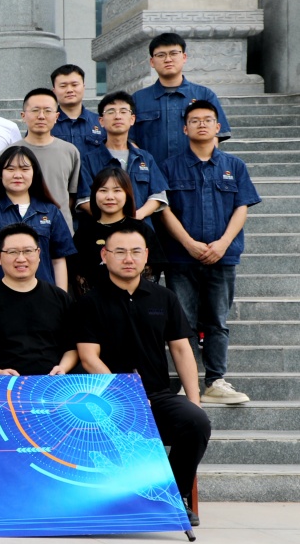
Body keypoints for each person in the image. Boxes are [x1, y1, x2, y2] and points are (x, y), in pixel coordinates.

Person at [75, 224, 210, 523]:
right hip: (108, 399)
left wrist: (194, 399)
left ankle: (173, 495)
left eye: (136, 252)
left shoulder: (165, 298)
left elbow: (181, 350)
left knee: (196, 421)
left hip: (157, 395)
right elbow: (88, 357)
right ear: (104, 255)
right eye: (120, 252)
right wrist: (127, 392)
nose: (128, 258)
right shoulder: (89, 302)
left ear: (146, 255)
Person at [162, 99, 261, 406]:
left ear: (218, 127)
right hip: (181, 258)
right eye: (194, 120)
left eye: (207, 119)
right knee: (184, 322)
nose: (201, 124)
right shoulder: (170, 166)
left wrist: (223, 244)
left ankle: (216, 381)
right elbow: (164, 210)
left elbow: (241, 207)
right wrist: (188, 243)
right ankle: (188, 382)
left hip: (223, 256)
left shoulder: (235, 166)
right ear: (185, 128)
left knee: (217, 321)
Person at [0, 224, 78, 376]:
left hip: (51, 382)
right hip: (0, 383)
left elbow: (72, 347)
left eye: (28, 251)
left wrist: (63, 368)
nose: (21, 259)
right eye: (12, 252)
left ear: (38, 254)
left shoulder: (61, 298)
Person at [0, 146, 75, 293]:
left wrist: (61, 298)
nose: (17, 175)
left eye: (24, 169)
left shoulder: (51, 212)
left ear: (34, 173)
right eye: (10, 169)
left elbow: (58, 261)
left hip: (44, 296)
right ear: (0, 174)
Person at [133, 32, 232, 170]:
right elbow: (129, 139)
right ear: (152, 62)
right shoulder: (138, 99)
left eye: (173, 53)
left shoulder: (204, 95)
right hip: (153, 175)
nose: (168, 59)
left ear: (184, 57)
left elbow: (213, 137)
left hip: (193, 175)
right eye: (161, 55)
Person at [75, 91, 169, 220]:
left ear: (132, 119)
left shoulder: (145, 158)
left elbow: (158, 195)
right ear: (101, 121)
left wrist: (137, 216)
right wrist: (113, 219)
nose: (117, 116)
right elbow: (84, 199)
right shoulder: (89, 159)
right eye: (111, 112)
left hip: (140, 227)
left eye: (123, 111)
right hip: (103, 227)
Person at [73, 166, 157, 294]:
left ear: (127, 194)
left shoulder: (141, 229)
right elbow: (78, 274)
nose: (110, 197)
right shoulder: (84, 233)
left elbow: (153, 270)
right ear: (94, 194)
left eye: (117, 190)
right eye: (103, 190)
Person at [12, 88, 81, 228]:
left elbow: (72, 194)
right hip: (18, 229)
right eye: (35, 110)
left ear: (56, 116)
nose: (41, 116)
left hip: (60, 230)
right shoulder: (9, 154)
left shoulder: (70, 151)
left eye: (48, 111)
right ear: (23, 115)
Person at [50, 64, 106, 163]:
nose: (69, 90)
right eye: (63, 86)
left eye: (74, 85)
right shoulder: (46, 123)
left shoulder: (100, 122)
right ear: (54, 91)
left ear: (83, 87)